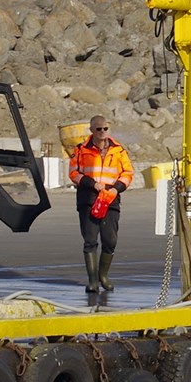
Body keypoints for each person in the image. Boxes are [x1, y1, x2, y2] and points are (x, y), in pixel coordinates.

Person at [68, 116, 134, 296]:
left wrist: (116, 188)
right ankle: (92, 281)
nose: (102, 132)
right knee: (90, 240)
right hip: (88, 198)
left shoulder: (119, 150)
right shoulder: (80, 149)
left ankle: (103, 275)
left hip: (110, 198)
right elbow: (73, 173)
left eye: (105, 128)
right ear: (91, 130)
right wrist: (91, 184)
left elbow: (128, 173)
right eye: (98, 129)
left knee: (110, 240)